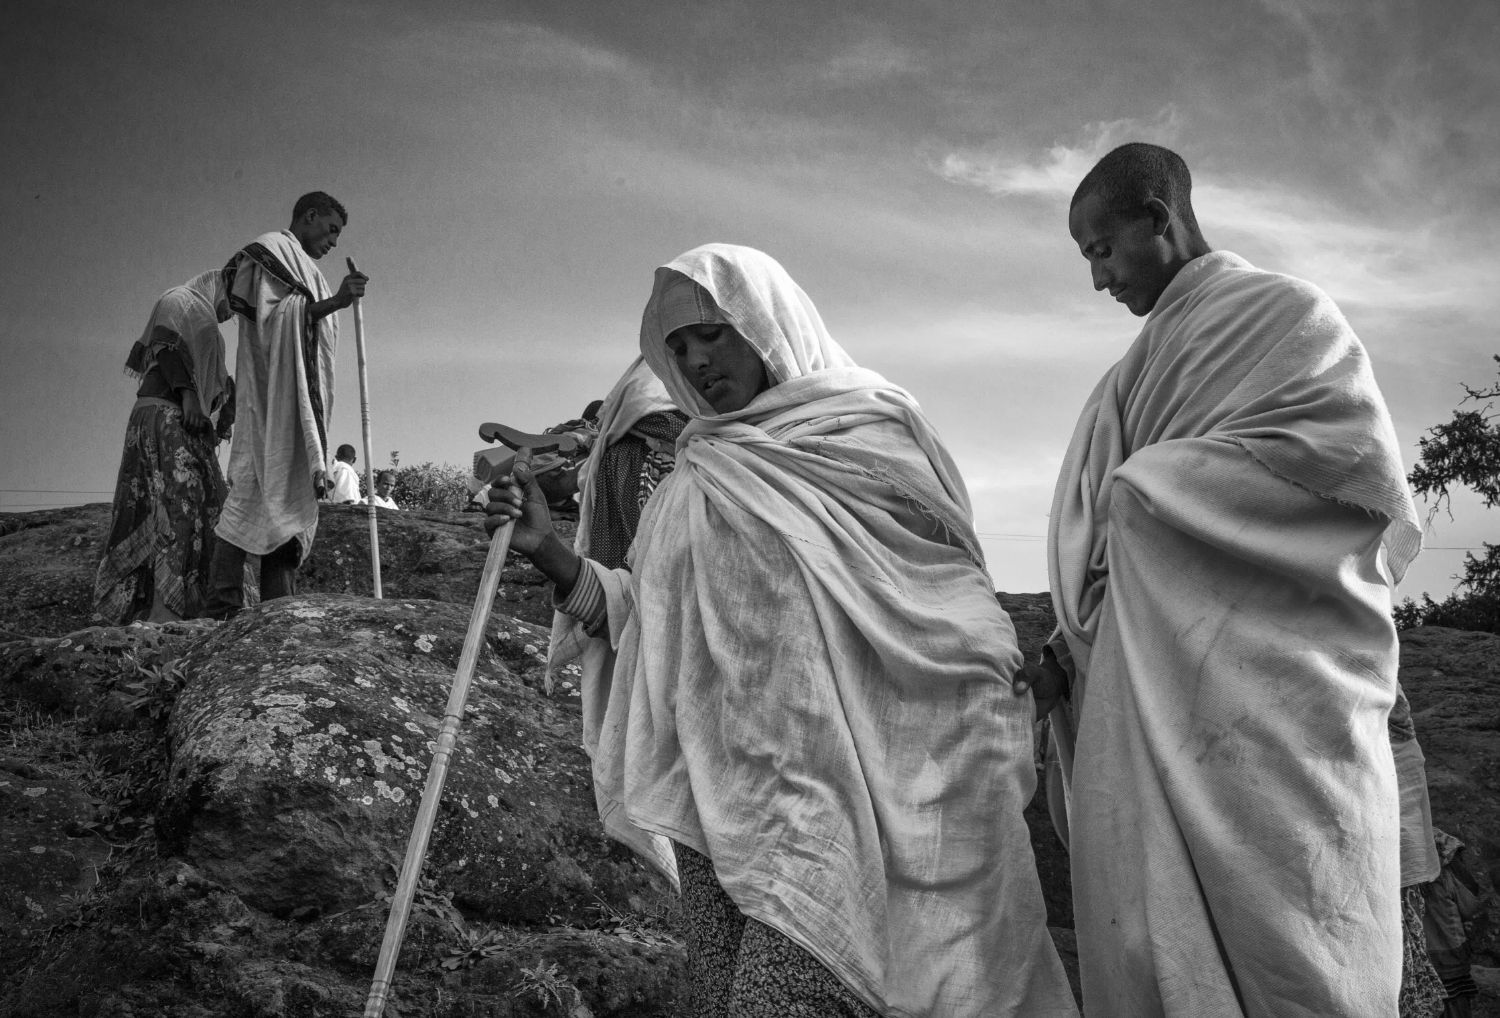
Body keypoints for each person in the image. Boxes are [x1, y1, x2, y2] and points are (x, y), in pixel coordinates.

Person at [489, 244, 1077, 1016]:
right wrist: (548, 550)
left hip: (829, 806)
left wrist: (998, 691)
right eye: (678, 347)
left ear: (764, 326)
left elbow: (940, 602)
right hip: (718, 804)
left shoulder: (867, 436)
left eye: (714, 334)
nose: (697, 360)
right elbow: (649, 625)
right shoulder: (693, 480)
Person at [1019, 142, 1424, 1017]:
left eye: (1102, 250)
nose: (1098, 281)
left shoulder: (1289, 317)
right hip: (1151, 697)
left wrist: (1152, 494)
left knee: (1304, 942)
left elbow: (1349, 485)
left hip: (1282, 708)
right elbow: (1105, 563)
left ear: (1159, 220)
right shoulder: (1126, 377)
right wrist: (1064, 648)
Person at [200, 191, 368, 619]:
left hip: (299, 409)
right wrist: (338, 303)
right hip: (267, 400)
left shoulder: (312, 273)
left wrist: (335, 299)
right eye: (331, 229)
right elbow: (275, 320)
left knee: (285, 498)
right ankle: (223, 604)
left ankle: (277, 610)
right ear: (309, 216)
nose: (334, 242)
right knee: (250, 490)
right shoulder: (272, 251)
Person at [94, 270, 235, 623]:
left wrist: (221, 417)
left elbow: (220, 385)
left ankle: (189, 610)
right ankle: (161, 614)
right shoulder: (180, 300)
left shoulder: (208, 325)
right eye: (234, 304)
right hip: (164, 414)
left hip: (187, 424)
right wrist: (189, 396)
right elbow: (167, 347)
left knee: (208, 510)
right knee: (172, 513)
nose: (234, 314)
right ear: (225, 282)